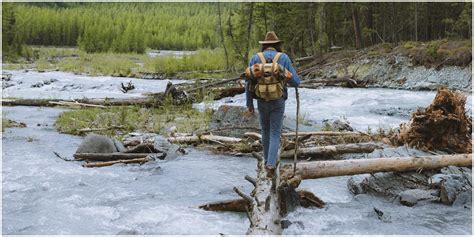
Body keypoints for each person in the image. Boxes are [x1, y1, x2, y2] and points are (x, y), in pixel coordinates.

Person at [244, 31, 300, 176]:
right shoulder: (284, 58)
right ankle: (270, 164)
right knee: (275, 132)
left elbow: (248, 82)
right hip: (278, 100)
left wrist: (249, 104)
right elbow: (296, 82)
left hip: (261, 99)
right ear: (276, 45)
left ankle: (265, 161)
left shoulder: (256, 58)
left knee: (265, 130)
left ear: (264, 45)